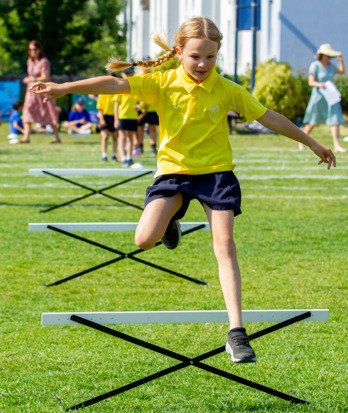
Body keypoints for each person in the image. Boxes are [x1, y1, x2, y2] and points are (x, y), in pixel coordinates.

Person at [30, 17, 336, 363]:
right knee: (143, 239)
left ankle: (237, 332)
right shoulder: (161, 82)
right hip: (173, 174)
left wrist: (312, 143)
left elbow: (269, 117)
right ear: (179, 53)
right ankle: (170, 219)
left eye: (210, 57)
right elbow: (112, 85)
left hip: (215, 175)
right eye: (195, 56)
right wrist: (64, 88)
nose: (203, 64)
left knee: (225, 245)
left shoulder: (228, 89)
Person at [300, 43, 346, 152]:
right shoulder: (315, 65)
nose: (330, 57)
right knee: (313, 122)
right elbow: (311, 82)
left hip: (331, 97)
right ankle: (301, 141)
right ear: (322, 55)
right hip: (318, 97)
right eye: (328, 55)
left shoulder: (331, 66)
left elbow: (342, 72)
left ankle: (337, 145)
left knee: (334, 120)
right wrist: (320, 84)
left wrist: (341, 61)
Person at [20, 40, 61, 144]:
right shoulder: (30, 61)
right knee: (27, 110)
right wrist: (28, 79)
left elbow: (45, 77)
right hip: (31, 91)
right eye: (30, 49)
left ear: (39, 50)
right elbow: (31, 75)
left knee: (49, 112)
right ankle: (26, 137)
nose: (32, 51)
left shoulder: (44, 62)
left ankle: (57, 138)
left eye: (34, 49)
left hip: (42, 90)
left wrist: (33, 79)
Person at [115, 67, 139, 166]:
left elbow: (139, 101)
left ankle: (129, 157)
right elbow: (116, 104)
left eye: (130, 73)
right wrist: (116, 119)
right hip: (122, 116)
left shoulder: (135, 87)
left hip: (132, 116)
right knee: (122, 137)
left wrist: (138, 106)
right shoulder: (120, 87)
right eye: (127, 73)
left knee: (130, 138)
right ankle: (123, 157)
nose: (129, 75)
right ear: (122, 74)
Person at [96, 94, 118, 162]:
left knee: (115, 137)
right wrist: (102, 119)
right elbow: (100, 109)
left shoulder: (116, 94)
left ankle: (114, 155)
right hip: (105, 116)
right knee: (105, 137)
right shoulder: (102, 95)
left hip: (114, 117)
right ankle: (104, 155)